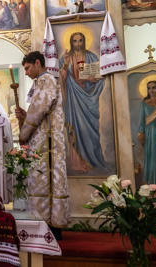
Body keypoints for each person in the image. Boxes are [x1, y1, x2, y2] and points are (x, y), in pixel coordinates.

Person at [15, 51, 70, 240]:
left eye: (28, 68)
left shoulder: (46, 80)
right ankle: (46, 224)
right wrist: (24, 115)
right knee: (43, 181)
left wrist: (23, 133)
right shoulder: (41, 82)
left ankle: (47, 225)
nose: (27, 73)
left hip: (47, 144)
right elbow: (38, 110)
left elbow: (39, 110)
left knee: (45, 181)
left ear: (38, 63)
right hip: (45, 140)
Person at [59, 31, 105, 173]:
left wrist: (94, 79)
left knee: (91, 130)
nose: (78, 44)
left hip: (88, 97)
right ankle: (77, 164)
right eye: (75, 41)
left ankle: (93, 160)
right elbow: (62, 79)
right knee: (76, 129)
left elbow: (100, 78)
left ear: (84, 41)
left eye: (80, 40)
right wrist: (66, 64)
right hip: (73, 98)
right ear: (71, 42)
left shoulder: (92, 57)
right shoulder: (66, 57)